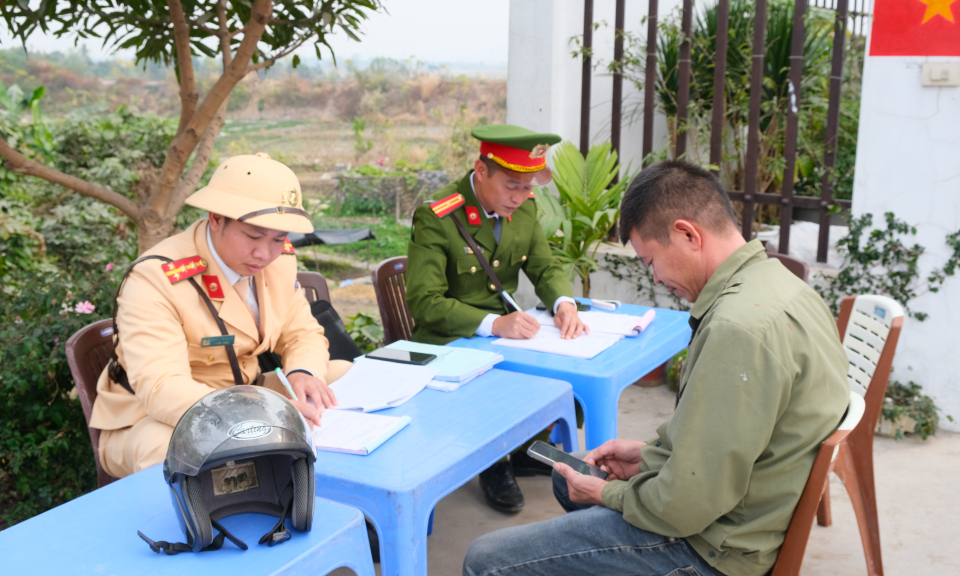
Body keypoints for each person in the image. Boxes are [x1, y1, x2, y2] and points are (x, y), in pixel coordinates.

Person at [462, 160, 851, 576]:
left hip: (712, 549)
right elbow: (726, 441)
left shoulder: (738, 330)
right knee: (568, 476)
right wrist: (648, 456)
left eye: (651, 261)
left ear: (687, 234)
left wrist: (610, 494)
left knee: (486, 560)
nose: (658, 278)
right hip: (745, 510)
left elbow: (685, 505)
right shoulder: (780, 284)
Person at [90, 153, 352, 479]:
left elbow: (302, 332)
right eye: (254, 236)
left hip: (245, 390)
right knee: (173, 449)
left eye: (279, 239)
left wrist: (302, 372)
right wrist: (262, 415)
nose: (265, 253)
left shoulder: (278, 261)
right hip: (154, 418)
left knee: (341, 378)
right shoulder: (157, 278)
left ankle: (332, 490)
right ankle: (207, 529)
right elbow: (163, 389)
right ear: (216, 219)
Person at [406, 124, 588, 513]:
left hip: (502, 335)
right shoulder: (439, 214)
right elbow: (424, 302)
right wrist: (492, 324)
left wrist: (563, 303)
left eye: (528, 188)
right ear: (481, 169)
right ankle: (496, 463)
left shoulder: (524, 210)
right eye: (512, 186)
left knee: (567, 374)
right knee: (499, 380)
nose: (520, 198)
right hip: (448, 338)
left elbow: (544, 266)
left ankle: (522, 448)